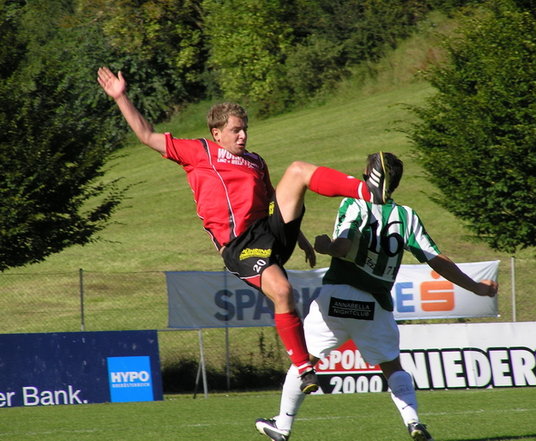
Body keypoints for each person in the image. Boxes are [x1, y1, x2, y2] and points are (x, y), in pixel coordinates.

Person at [97, 67, 394, 394]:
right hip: (240, 246)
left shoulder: (255, 161)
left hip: (271, 232)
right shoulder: (199, 153)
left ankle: (369, 192)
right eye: (236, 131)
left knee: (296, 171)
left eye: (245, 130)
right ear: (216, 133)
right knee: (282, 291)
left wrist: (303, 239)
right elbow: (146, 135)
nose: (243, 136)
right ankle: (305, 369)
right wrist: (120, 96)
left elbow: (275, 201)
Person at [255, 152, 498, 441]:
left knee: (305, 361)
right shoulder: (406, 216)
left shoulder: (354, 204)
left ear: (369, 175)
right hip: (374, 305)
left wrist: (325, 246)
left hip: (337, 298)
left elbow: (343, 247)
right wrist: (476, 287)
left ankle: (283, 426)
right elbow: (437, 260)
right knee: (393, 367)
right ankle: (414, 422)